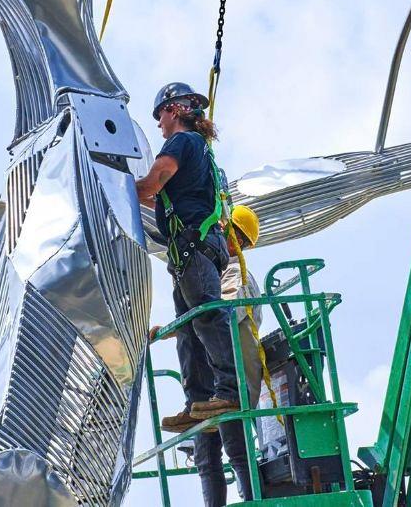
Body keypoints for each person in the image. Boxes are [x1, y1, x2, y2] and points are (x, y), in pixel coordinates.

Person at [136, 82, 240, 440]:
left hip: (193, 246)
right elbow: (162, 198)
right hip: (196, 247)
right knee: (189, 327)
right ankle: (198, 401)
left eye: (160, 115)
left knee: (207, 316)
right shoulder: (201, 151)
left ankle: (230, 392)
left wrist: (110, 186)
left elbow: (151, 185)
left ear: (174, 110)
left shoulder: (181, 142)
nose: (159, 124)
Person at [150, 204, 265, 506]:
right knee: (206, 452)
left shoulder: (237, 274)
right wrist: (176, 327)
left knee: (236, 448)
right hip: (212, 384)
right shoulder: (214, 271)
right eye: (234, 237)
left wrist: (180, 325)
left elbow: (220, 314)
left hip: (233, 381)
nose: (233, 246)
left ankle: (254, 502)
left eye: (240, 242)